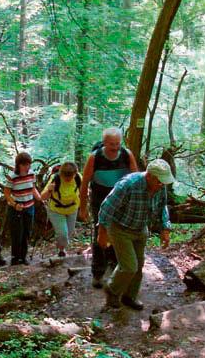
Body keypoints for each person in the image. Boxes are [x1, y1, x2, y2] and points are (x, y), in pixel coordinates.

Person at [97, 159, 174, 310]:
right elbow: (107, 207)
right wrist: (102, 232)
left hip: (140, 228)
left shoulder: (160, 186)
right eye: (160, 182)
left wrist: (165, 228)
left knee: (138, 266)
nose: (162, 185)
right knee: (129, 266)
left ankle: (129, 296)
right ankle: (112, 290)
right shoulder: (129, 184)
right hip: (120, 229)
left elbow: (162, 205)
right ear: (150, 176)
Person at [79, 127, 138, 288]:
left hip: (122, 198)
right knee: (101, 234)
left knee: (119, 232)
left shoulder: (126, 155)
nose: (115, 147)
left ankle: (116, 265)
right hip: (100, 197)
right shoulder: (95, 158)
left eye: (118, 143)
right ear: (104, 143)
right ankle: (98, 272)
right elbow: (84, 184)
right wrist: (83, 208)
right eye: (111, 144)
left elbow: (137, 178)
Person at [4, 152, 42, 266]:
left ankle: (23, 257)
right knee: (17, 233)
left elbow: (33, 188)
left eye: (29, 164)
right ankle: (15, 257)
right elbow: (6, 193)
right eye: (25, 164)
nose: (28, 167)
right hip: (16, 209)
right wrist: (14, 204)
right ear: (19, 165)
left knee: (27, 232)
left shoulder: (32, 174)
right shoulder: (12, 177)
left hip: (29, 207)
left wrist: (40, 198)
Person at [41, 162, 81, 257]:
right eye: (65, 177)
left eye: (70, 177)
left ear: (74, 174)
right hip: (56, 210)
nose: (67, 179)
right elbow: (42, 197)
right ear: (61, 174)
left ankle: (61, 250)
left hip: (72, 209)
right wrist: (49, 190)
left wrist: (84, 208)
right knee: (63, 233)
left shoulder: (78, 178)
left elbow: (84, 191)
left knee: (68, 233)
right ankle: (61, 250)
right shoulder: (55, 179)